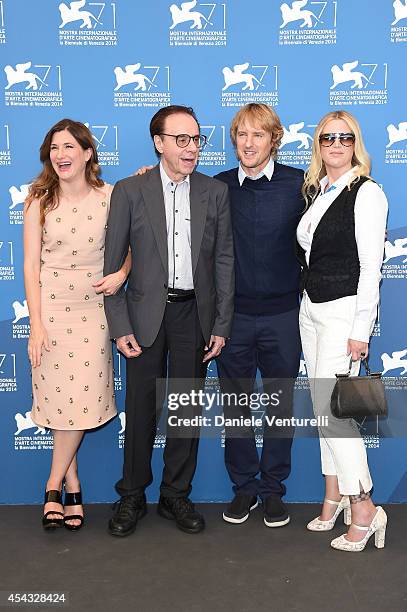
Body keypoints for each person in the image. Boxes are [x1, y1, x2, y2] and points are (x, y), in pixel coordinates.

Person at [103, 105, 234, 537]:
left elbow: (223, 261)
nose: (191, 148)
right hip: (143, 315)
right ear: (158, 143)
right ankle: (132, 496)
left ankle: (176, 494)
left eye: (196, 139)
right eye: (181, 139)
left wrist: (221, 323)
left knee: (185, 411)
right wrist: (119, 325)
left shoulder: (214, 192)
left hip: (194, 315)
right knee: (140, 411)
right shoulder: (129, 190)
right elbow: (112, 266)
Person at [24, 118, 130, 531]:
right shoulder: (39, 200)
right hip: (50, 308)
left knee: (80, 398)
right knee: (59, 399)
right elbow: (31, 266)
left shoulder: (111, 196)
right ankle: (70, 484)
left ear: (88, 153)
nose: (61, 155)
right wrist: (35, 324)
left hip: (93, 311)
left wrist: (121, 273)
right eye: (55, 148)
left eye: (69, 147)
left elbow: (133, 245)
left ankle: (53, 482)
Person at [297, 110, 388, 551]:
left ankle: (365, 505)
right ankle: (334, 495)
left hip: (343, 313)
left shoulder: (366, 192)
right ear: (318, 143)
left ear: (356, 143)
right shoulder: (318, 190)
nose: (336, 144)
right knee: (321, 409)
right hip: (310, 310)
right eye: (328, 137)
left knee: (335, 414)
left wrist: (361, 329)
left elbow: (372, 267)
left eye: (345, 137)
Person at [214, 104, 304, 527]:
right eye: (242, 135)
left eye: (258, 135)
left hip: (285, 315)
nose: (249, 144)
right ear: (234, 140)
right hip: (233, 319)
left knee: (280, 406)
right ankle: (245, 488)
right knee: (235, 407)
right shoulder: (215, 187)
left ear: (274, 140)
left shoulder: (299, 184)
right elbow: (169, 198)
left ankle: (272, 490)